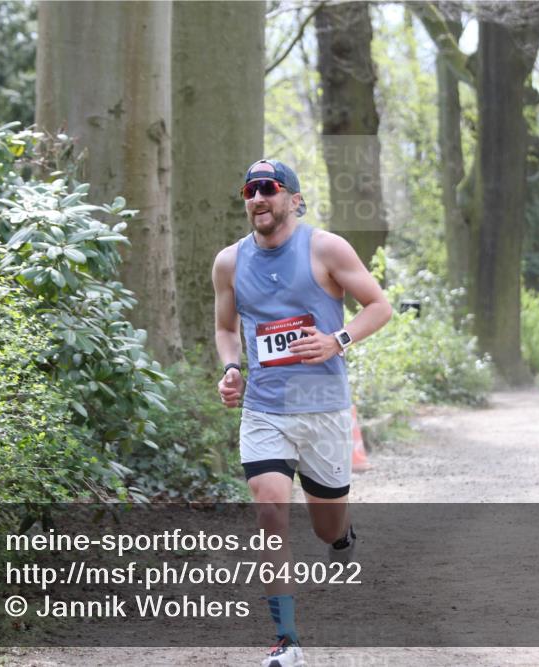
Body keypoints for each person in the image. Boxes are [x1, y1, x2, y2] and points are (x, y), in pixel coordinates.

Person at [212, 159, 392, 667]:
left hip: (322, 408)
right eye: (250, 190)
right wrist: (231, 368)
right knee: (270, 509)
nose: (258, 198)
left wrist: (338, 340)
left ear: (293, 198)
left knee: (326, 527)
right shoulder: (229, 262)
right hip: (264, 408)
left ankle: (343, 536)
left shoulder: (326, 248)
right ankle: (287, 641)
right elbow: (226, 328)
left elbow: (378, 306)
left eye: (269, 188)